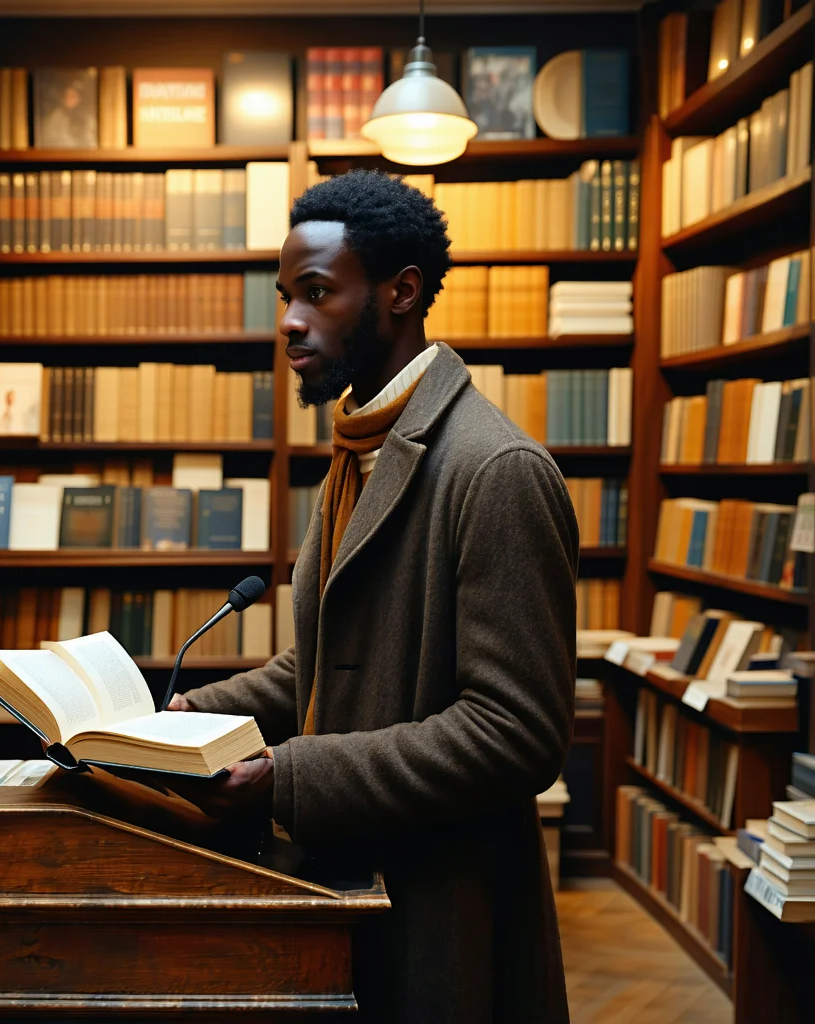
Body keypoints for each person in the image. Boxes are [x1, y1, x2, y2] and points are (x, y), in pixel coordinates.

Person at [168, 169, 578, 1023]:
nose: (288, 320)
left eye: (316, 293)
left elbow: (517, 734)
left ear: (401, 292)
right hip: (355, 883)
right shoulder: (363, 443)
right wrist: (180, 715)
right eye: (286, 295)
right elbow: (325, 662)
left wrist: (289, 776)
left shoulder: (495, 471)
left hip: (443, 909)